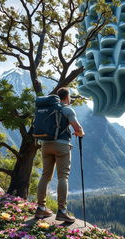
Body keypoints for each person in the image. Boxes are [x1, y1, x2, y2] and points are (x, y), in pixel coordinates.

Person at [35, 88, 85, 223]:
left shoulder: (49, 108)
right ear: (66, 97)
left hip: (45, 145)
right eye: (69, 97)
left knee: (45, 176)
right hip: (61, 146)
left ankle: (40, 208)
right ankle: (62, 211)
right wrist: (80, 133)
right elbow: (77, 128)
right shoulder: (67, 109)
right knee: (63, 177)